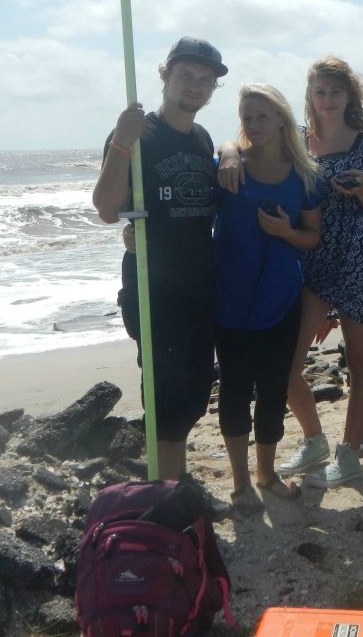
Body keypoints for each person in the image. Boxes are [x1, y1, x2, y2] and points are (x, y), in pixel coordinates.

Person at [92, 36, 226, 482]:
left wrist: (229, 154)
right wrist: (122, 143)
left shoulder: (202, 137)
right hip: (154, 286)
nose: (195, 85)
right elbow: (107, 209)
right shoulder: (137, 133)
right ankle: (166, 492)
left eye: (205, 80)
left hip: (199, 283)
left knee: (193, 393)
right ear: (165, 75)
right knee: (166, 397)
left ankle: (175, 481)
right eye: (186, 75)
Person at [278, 57, 363, 488]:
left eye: (336, 91)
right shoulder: (297, 144)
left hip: (358, 257)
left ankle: (349, 452)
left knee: (361, 362)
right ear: (308, 96)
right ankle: (314, 441)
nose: (327, 100)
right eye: (320, 91)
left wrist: (361, 187)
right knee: (287, 366)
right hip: (309, 260)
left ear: (350, 96)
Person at [213, 84, 322, 511]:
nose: (253, 125)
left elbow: (312, 238)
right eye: (246, 118)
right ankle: (241, 484)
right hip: (229, 297)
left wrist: (285, 233)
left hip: (280, 299)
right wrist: (228, 150)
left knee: (274, 390)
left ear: (281, 119)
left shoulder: (306, 177)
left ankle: (267, 474)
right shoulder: (227, 168)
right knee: (235, 389)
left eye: (262, 116)